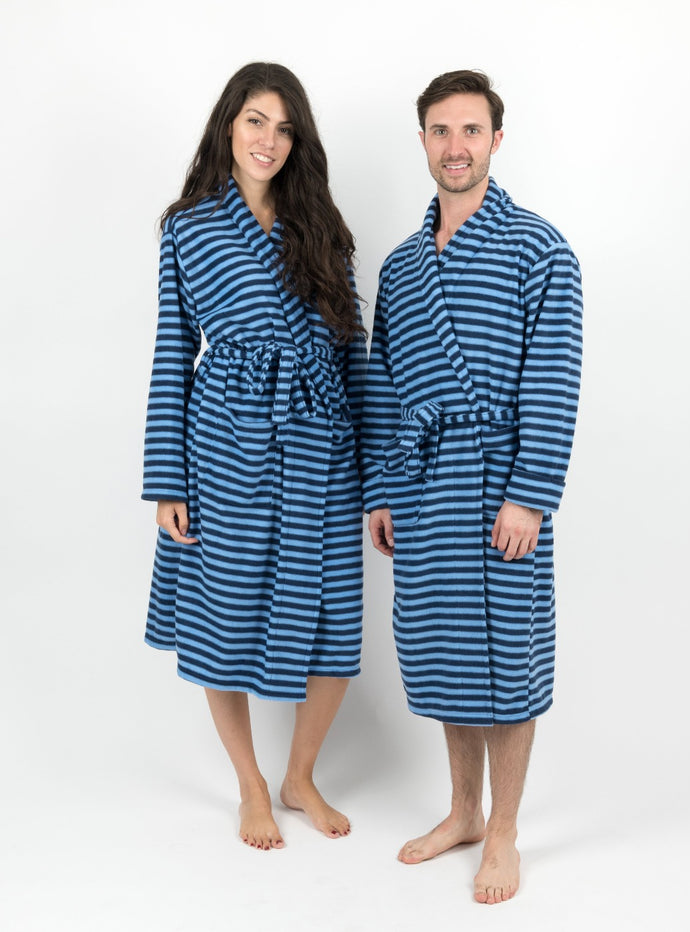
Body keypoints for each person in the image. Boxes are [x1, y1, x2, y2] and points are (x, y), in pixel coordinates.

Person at [361, 70, 582, 903]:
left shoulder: (540, 249)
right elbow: (383, 386)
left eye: (471, 130)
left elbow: (554, 382)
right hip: (423, 489)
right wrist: (383, 489)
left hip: (498, 486)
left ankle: (505, 831)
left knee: (508, 658)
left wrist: (530, 496)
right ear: (423, 140)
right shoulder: (403, 266)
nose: (455, 147)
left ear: (496, 139)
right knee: (446, 650)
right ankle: (462, 812)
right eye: (441, 131)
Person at [142, 62, 366, 851]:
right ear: (228, 126)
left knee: (336, 617)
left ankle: (300, 775)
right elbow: (173, 353)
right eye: (255, 121)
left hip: (323, 447)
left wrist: (374, 477)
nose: (269, 140)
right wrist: (167, 480)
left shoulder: (322, 227)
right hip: (227, 445)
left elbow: (355, 355)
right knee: (223, 611)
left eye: (284, 128)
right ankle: (250, 784)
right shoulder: (188, 227)